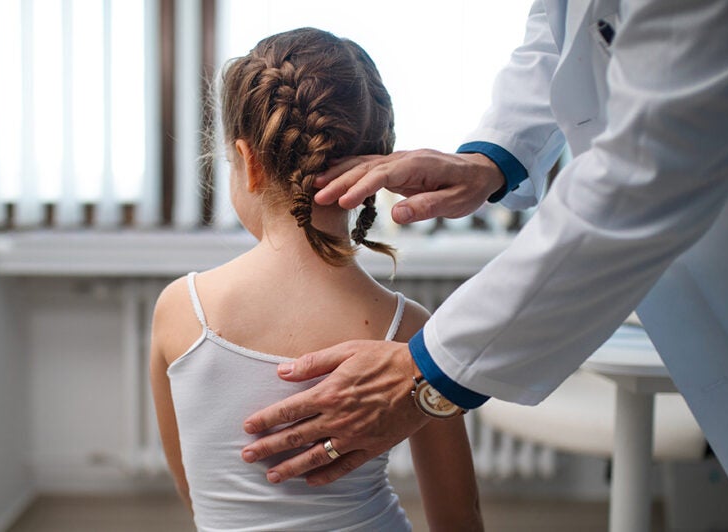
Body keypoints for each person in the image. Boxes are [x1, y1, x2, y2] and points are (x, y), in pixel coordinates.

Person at [239, 2, 728, 530]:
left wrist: (430, 370)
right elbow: (565, 36)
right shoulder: (401, 320)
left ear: (247, 161)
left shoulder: (178, 311)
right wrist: (494, 158)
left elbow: (646, 170)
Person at [149, 27, 483, 532]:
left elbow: (194, 494)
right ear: (379, 164)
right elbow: (459, 520)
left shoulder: (181, 309)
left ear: (248, 161)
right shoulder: (411, 333)